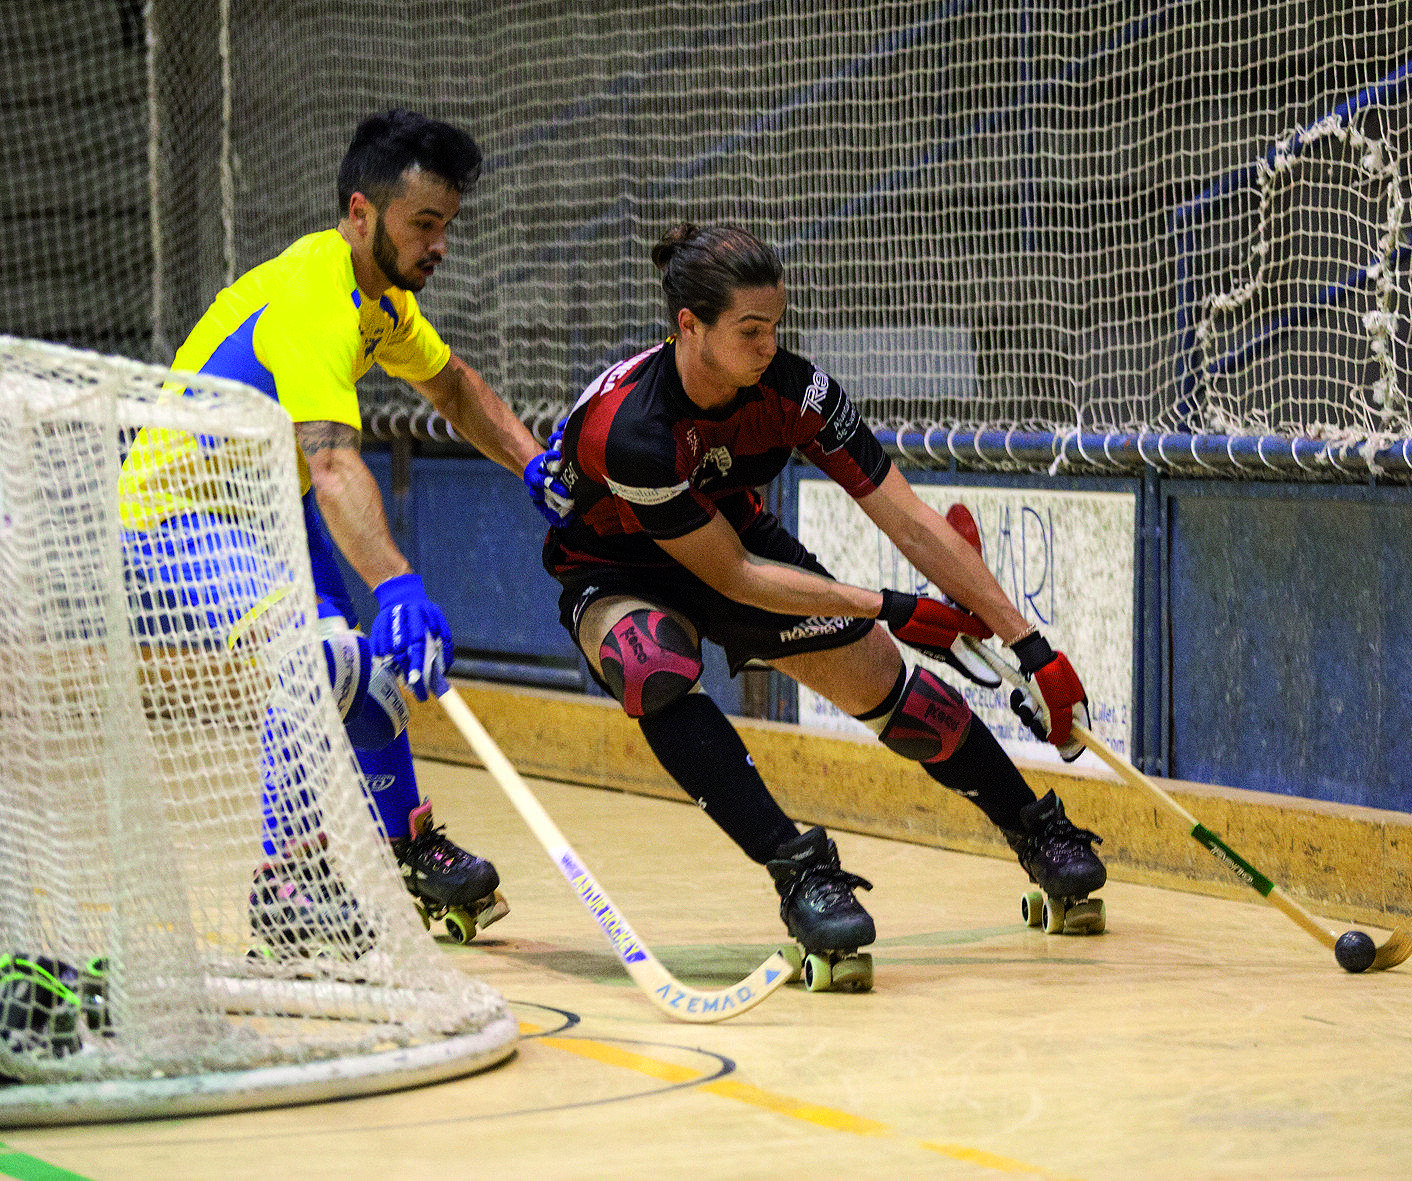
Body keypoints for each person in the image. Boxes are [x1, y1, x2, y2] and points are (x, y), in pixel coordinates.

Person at [536, 222, 1106, 991]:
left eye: (776, 326)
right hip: (618, 564)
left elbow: (907, 517)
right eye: (749, 330)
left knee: (888, 688)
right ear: (689, 326)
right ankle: (801, 872)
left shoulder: (798, 391)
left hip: (728, 531)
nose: (769, 345)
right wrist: (892, 604)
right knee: (653, 664)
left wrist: (1030, 645)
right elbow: (732, 577)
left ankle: (1036, 827)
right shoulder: (634, 429)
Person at [120, 110, 561, 952]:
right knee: (313, 656)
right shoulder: (314, 297)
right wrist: (396, 583)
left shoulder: (379, 304)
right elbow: (332, 463)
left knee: (365, 677)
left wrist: (534, 464)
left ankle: (410, 846)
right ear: (361, 214)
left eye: (446, 227)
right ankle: (287, 877)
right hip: (176, 514)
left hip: (267, 509)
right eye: (422, 224)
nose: (438, 244)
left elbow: (456, 386)